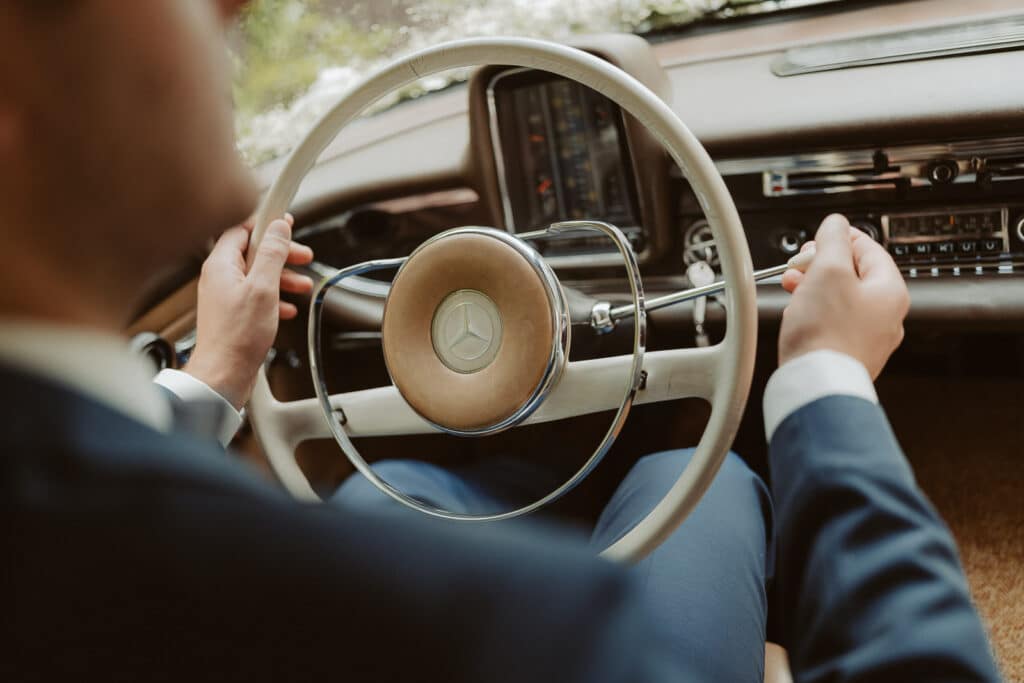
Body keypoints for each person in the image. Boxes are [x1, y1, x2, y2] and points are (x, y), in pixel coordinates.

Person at [0, 1, 1000, 681]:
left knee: (398, 495)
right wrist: (823, 374)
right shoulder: (522, 629)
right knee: (695, 478)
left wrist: (212, 377)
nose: (233, 8)